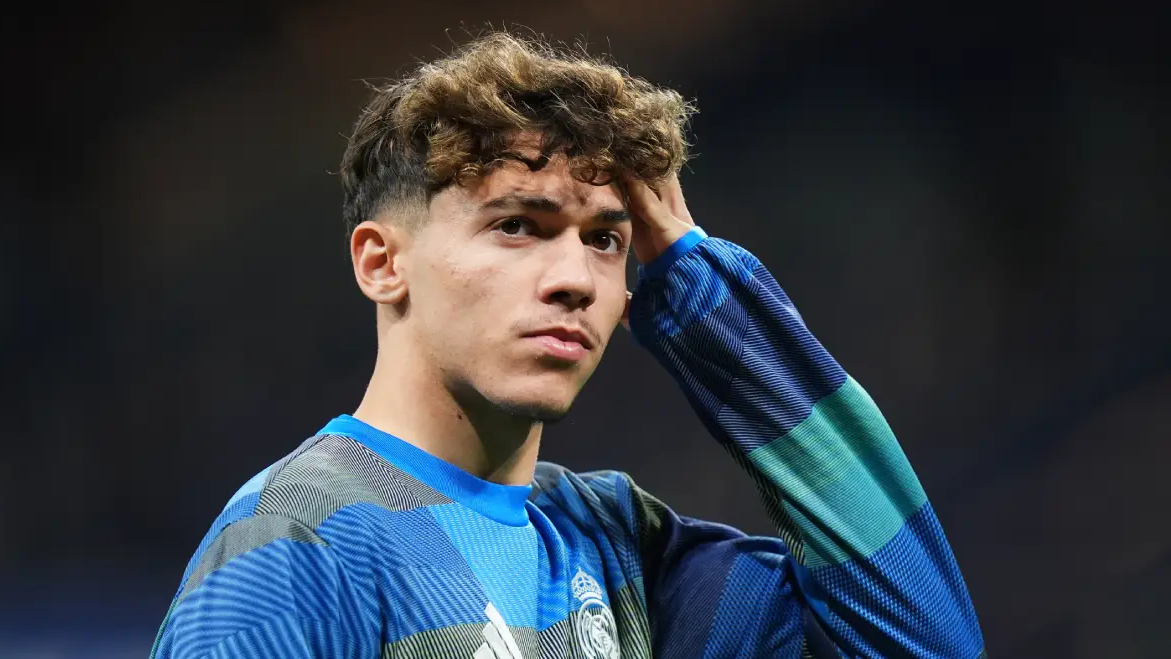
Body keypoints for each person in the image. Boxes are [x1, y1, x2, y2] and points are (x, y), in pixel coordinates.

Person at [150, 32, 985, 659]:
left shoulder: (619, 548)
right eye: (519, 225)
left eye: (606, 240)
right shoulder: (298, 542)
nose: (575, 279)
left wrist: (701, 291)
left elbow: (922, 639)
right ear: (383, 261)